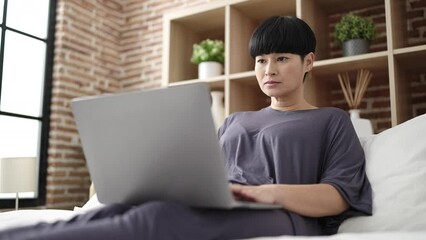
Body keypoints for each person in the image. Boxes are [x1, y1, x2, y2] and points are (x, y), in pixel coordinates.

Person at [0, 16, 371, 240]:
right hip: (219, 203)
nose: (268, 69)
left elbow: (339, 195)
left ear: (308, 62)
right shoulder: (236, 120)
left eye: (282, 58)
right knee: (109, 211)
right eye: (260, 60)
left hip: (282, 215)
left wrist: (266, 193)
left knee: (157, 219)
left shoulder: (331, 120)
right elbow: (203, 173)